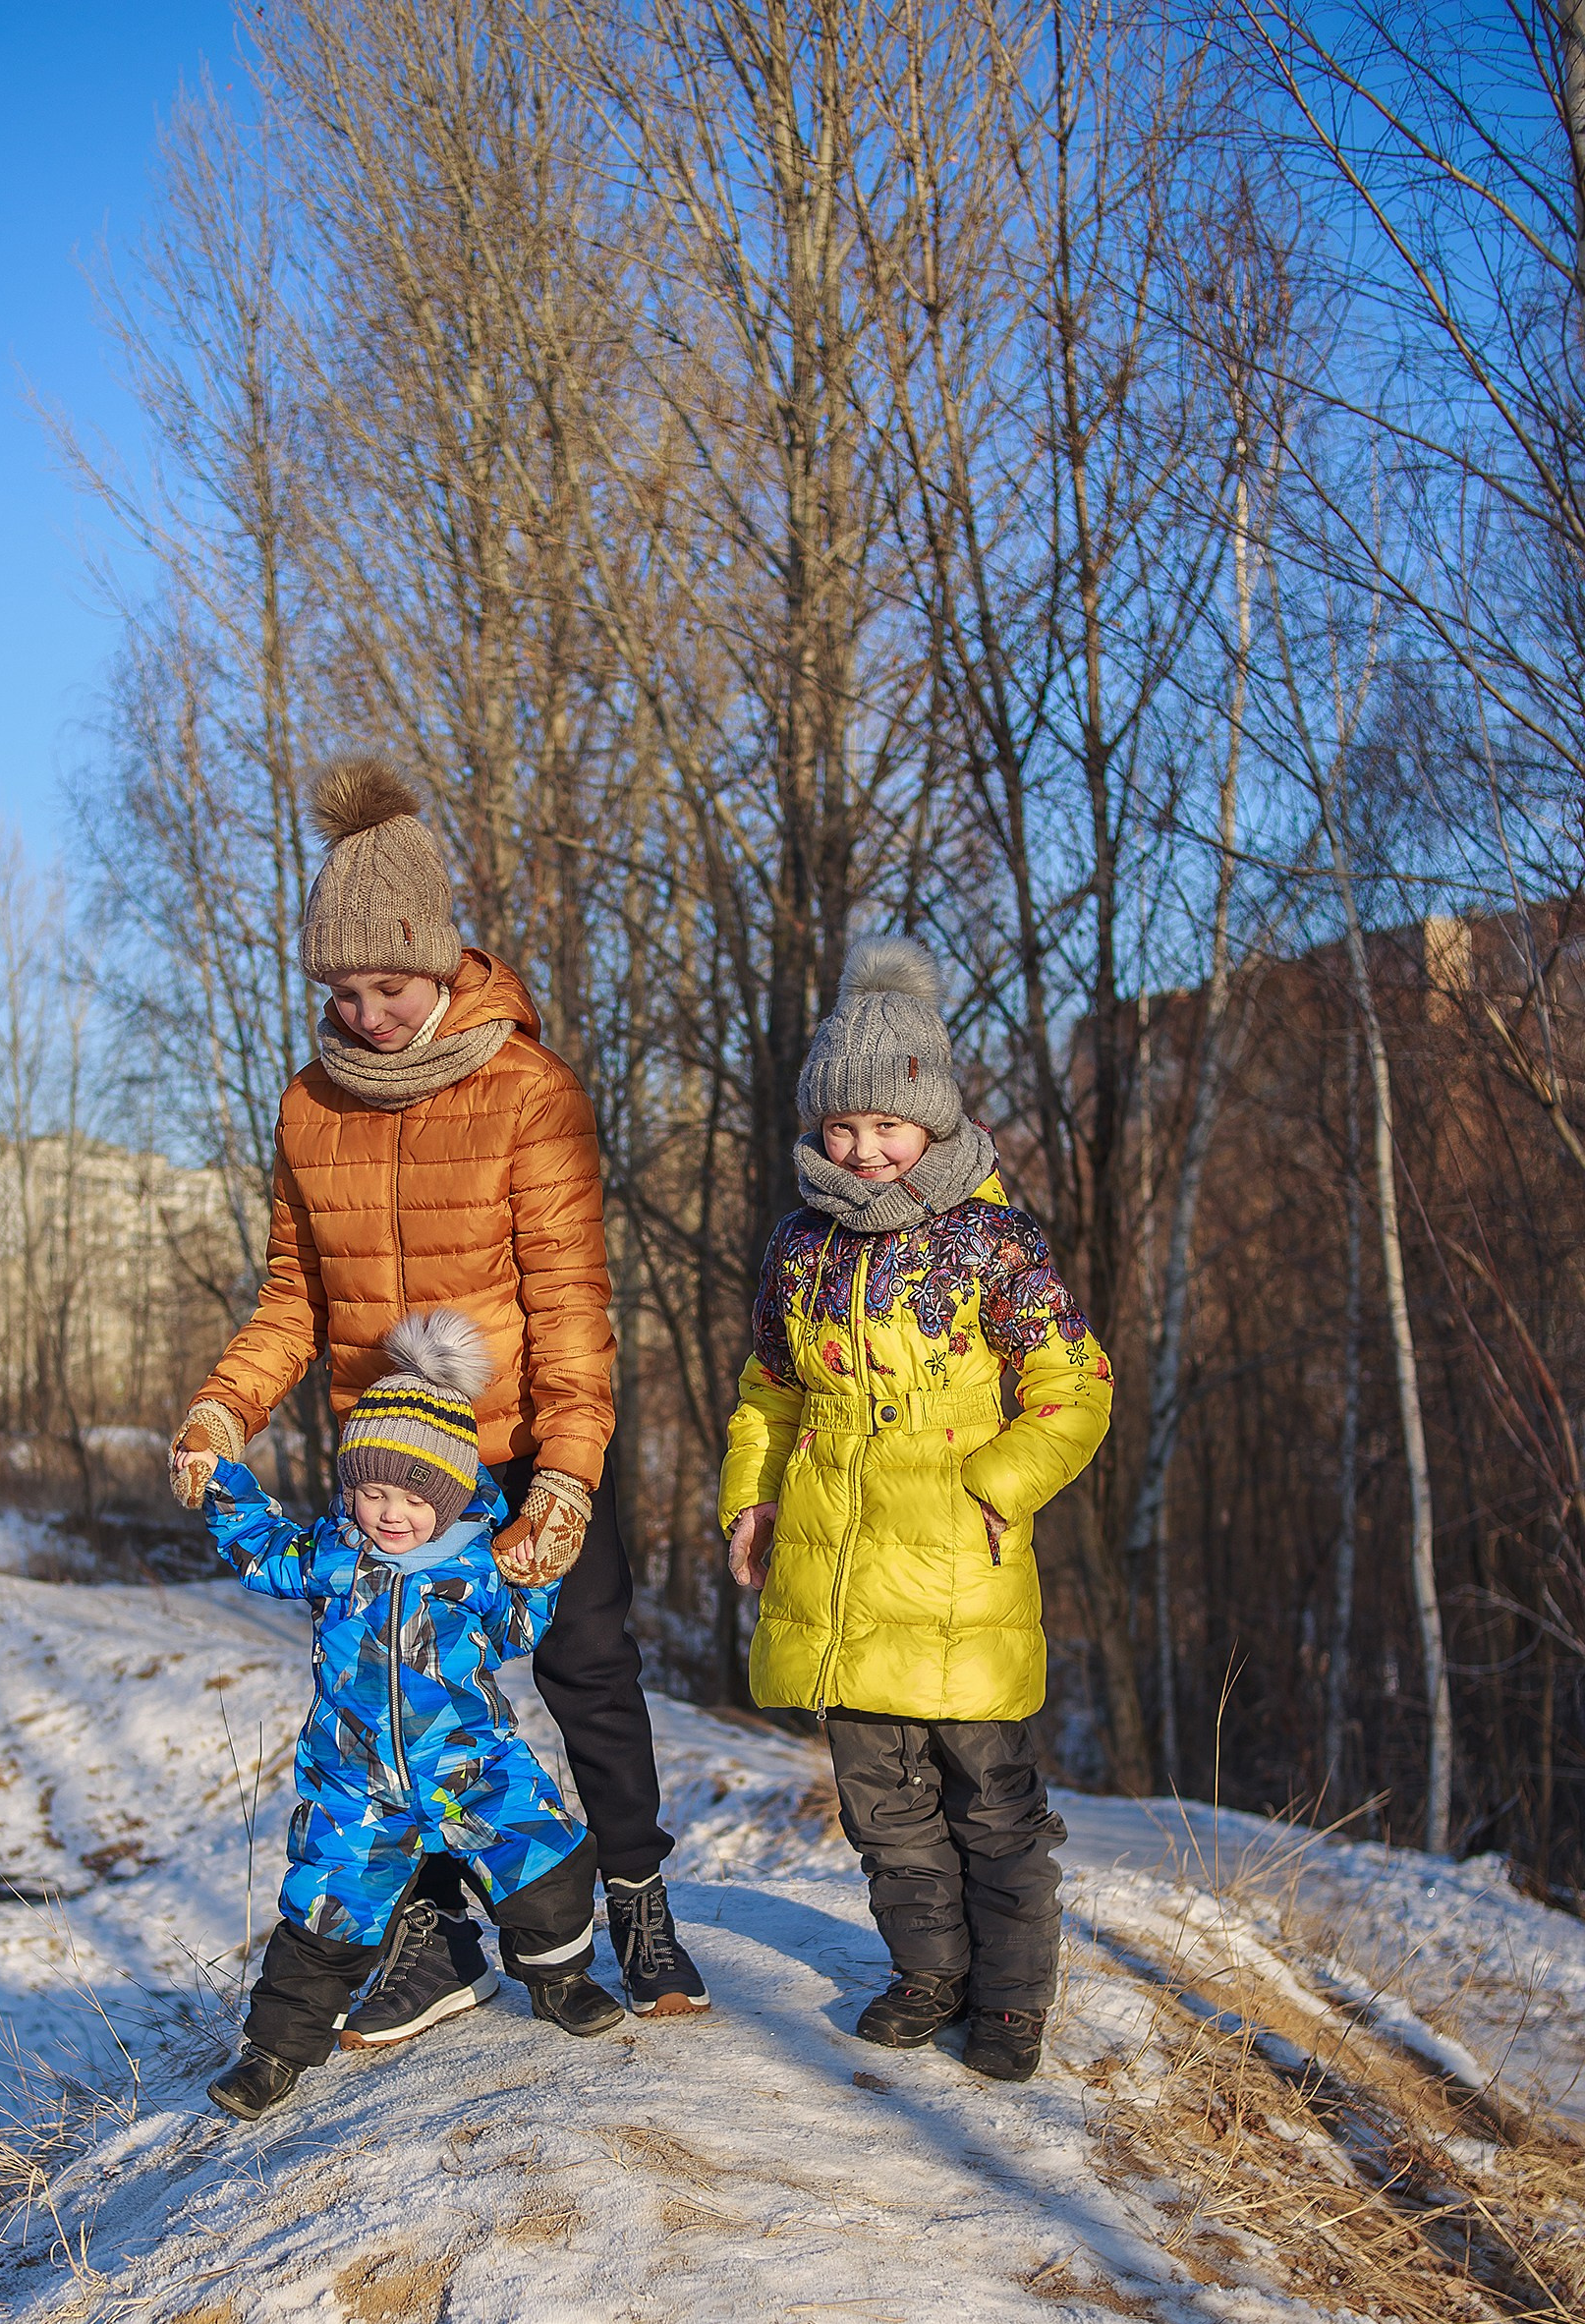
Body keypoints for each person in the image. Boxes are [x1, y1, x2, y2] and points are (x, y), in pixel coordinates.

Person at [169, 756, 704, 2038]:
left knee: (583, 1666)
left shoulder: (530, 1090)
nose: (365, 1016)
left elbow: (573, 1298)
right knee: (385, 1690)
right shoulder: (310, 1105)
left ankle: (634, 1902)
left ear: (443, 961)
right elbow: (296, 1291)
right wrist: (224, 1406)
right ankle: (434, 1938)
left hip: (525, 1439)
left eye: (390, 988)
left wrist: (568, 1476)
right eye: (341, 994)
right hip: (391, 1464)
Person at [720, 937, 1113, 2083]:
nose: (864, 1151)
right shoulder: (800, 1247)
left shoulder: (993, 1241)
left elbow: (1072, 1387)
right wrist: (749, 1500)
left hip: (954, 1569)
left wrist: (993, 1488)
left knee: (987, 1805)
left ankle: (1005, 1998)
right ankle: (927, 1972)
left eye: (887, 1128)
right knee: (882, 1811)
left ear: (933, 1123)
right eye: (841, 1129)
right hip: (834, 1575)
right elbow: (769, 1391)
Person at [203, 1313, 627, 2124]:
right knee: (324, 1908)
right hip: (355, 1778)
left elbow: (515, 1632)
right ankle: (275, 2053)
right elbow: (259, 1548)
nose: (388, 1513)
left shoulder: (477, 1565)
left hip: (471, 1763)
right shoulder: (334, 1555)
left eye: (410, 1497)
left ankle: (562, 1978)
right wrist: (219, 1475)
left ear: (449, 1493)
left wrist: (541, 1575)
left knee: (544, 1862)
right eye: (371, 1492)